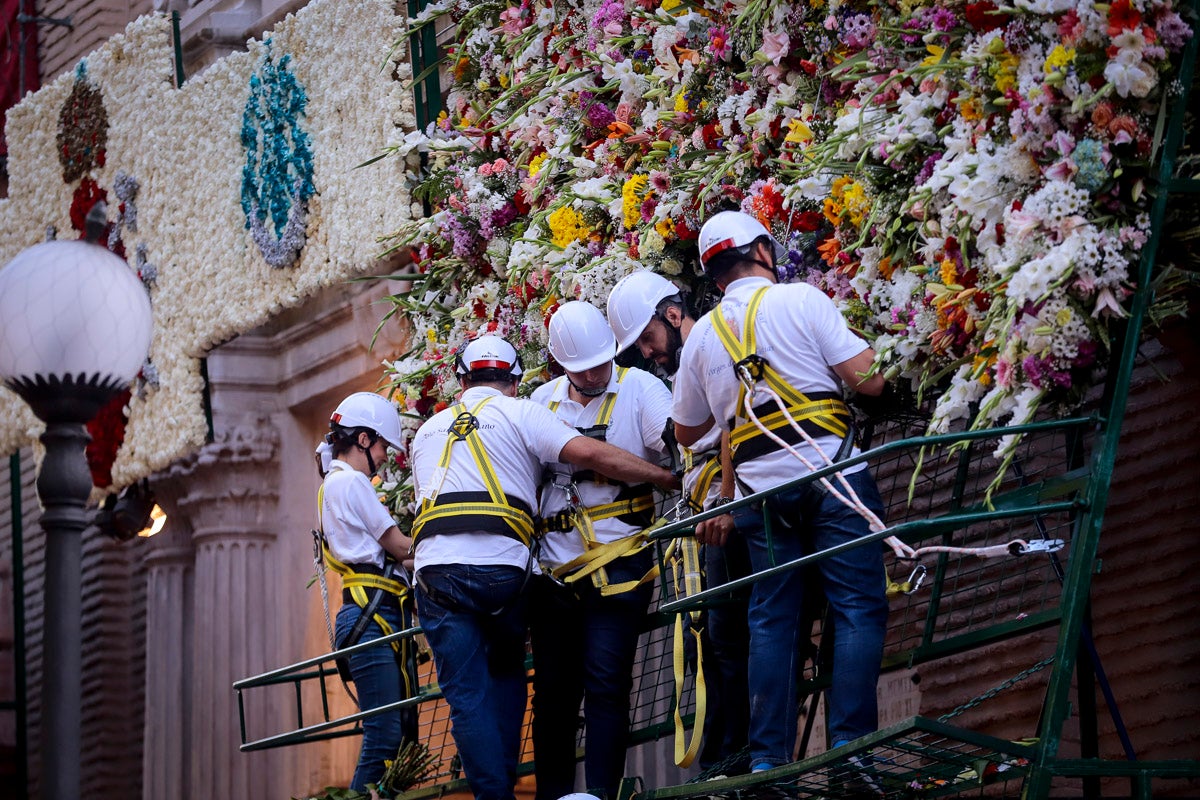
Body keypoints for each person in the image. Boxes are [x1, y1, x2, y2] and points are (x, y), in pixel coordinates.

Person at [409, 335, 679, 800]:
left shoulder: (427, 431)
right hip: (504, 573)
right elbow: (591, 454)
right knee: (512, 675)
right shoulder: (522, 411)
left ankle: (496, 797)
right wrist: (663, 477)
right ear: (514, 381)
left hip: (435, 576)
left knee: (467, 697)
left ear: (460, 381)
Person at [670, 210, 889, 772]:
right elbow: (869, 380)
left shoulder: (701, 339)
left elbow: (686, 431)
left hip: (758, 495)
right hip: (830, 474)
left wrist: (729, 398)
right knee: (857, 605)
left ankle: (768, 758)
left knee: (771, 619)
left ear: (713, 274)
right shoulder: (802, 301)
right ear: (764, 251)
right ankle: (851, 749)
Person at [528, 301, 672, 800]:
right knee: (552, 697)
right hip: (553, 573)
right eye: (581, 367)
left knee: (607, 682)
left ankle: (601, 795)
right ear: (560, 365)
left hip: (620, 564)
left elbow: (670, 441)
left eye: (600, 361)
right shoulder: (539, 402)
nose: (593, 373)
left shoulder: (640, 389)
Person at [608, 271, 750, 772]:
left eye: (647, 339)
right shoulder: (686, 363)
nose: (647, 352)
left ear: (672, 315)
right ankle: (726, 749)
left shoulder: (709, 343)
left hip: (729, 514)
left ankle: (740, 753)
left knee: (730, 640)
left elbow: (734, 422)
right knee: (717, 640)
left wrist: (727, 499)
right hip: (711, 515)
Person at [315, 392, 418, 795]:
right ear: (362, 439)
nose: (384, 457)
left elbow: (388, 557)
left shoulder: (333, 484)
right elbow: (399, 548)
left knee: (390, 734)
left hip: (364, 613)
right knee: (384, 735)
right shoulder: (352, 483)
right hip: (370, 616)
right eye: (381, 446)